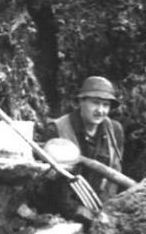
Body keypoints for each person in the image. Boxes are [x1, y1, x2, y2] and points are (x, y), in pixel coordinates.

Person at [45, 75, 126, 203]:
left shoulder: (114, 130)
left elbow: (114, 174)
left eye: (105, 105)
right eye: (95, 103)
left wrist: (106, 209)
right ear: (81, 102)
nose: (100, 110)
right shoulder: (57, 128)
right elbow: (51, 184)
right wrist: (79, 212)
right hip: (61, 205)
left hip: (100, 204)